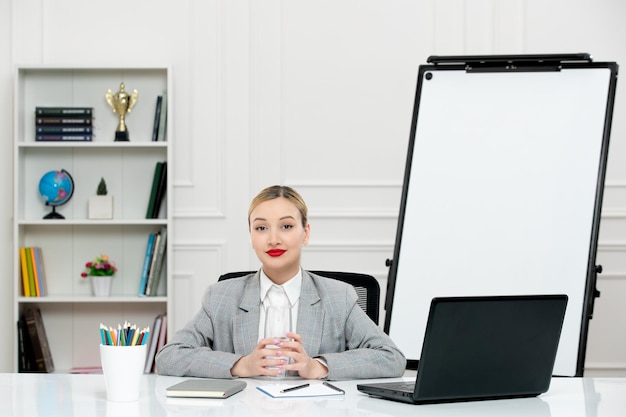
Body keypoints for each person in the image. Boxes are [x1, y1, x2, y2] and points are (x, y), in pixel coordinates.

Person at [155, 185, 406, 380]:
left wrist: (317, 366)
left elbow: (391, 358)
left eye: (286, 226)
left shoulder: (339, 297)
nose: (273, 239)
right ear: (251, 236)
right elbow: (169, 357)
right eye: (261, 228)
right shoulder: (221, 297)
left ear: (305, 233)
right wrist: (242, 365)